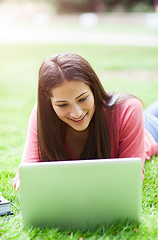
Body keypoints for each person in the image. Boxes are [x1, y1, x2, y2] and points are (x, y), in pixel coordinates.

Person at [14, 52, 158, 190]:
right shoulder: (43, 113)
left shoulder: (128, 109)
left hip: (150, 130)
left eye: (82, 99)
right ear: (48, 99)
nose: (77, 113)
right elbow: (25, 176)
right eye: (62, 105)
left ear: (93, 88)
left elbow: (131, 180)